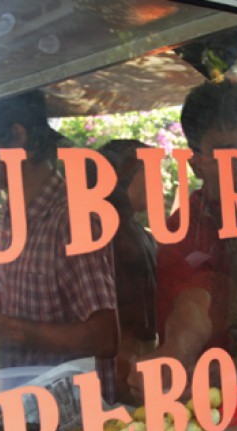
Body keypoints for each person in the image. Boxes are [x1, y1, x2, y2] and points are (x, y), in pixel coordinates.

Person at [0, 91, 119, 400]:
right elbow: (22, 303)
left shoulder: (71, 219)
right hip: (29, 408)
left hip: (75, 417)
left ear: (17, 137)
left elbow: (104, 337)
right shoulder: (14, 216)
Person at [127, 78, 237, 402]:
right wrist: (174, 355)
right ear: (196, 163)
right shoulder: (184, 227)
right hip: (211, 407)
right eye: (227, 155)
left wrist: (214, 373)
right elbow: (195, 302)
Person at [91, 139, 158, 403]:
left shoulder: (135, 231)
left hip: (139, 353)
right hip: (121, 359)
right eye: (149, 174)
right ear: (122, 178)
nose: (158, 184)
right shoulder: (103, 235)